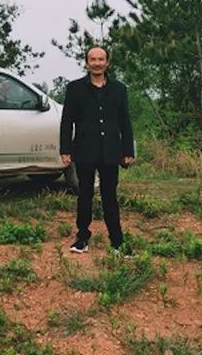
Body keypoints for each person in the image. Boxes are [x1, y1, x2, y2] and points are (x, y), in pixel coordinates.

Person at [60, 45, 135, 254]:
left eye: (101, 59)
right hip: (84, 150)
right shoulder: (75, 89)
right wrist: (65, 150)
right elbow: (67, 121)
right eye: (93, 59)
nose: (97, 63)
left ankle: (117, 241)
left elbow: (125, 122)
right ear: (87, 63)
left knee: (110, 196)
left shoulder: (119, 89)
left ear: (107, 62)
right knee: (84, 195)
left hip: (111, 151)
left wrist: (128, 151)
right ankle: (82, 237)